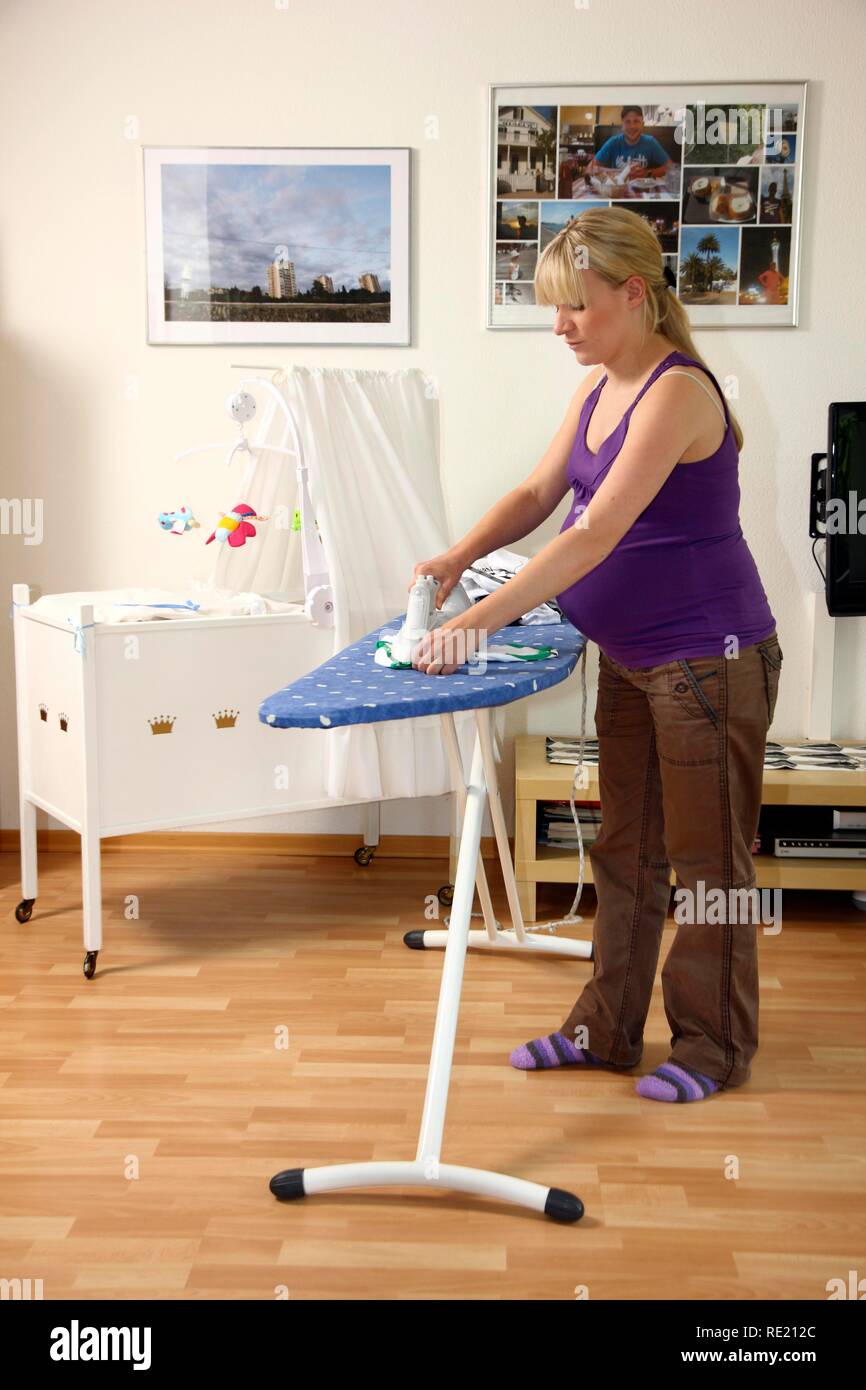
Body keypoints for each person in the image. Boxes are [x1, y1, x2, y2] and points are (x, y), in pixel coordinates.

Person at [407, 204, 782, 1103]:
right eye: (553, 308)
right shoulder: (600, 382)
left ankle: (713, 1045)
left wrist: (476, 624)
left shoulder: (680, 391)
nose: (560, 326)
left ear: (633, 293)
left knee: (709, 866)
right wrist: (455, 557)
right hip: (631, 657)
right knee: (628, 849)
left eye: (575, 307)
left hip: (707, 662)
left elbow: (594, 536)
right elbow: (542, 492)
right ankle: (606, 1028)